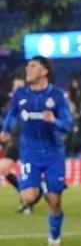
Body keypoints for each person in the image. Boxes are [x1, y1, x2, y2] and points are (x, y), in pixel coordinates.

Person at [0, 56, 72, 246]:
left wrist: (54, 120)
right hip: (29, 152)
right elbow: (12, 114)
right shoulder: (20, 94)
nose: (28, 69)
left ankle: (54, 239)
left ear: (44, 71)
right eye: (27, 66)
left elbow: (68, 125)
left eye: (32, 66)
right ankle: (41, 184)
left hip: (53, 153)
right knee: (28, 197)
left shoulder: (57, 96)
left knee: (54, 201)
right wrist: (6, 130)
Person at [0, 74, 44, 214]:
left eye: (19, 86)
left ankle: (28, 202)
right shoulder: (14, 102)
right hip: (15, 139)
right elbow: (10, 117)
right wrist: (5, 131)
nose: (16, 89)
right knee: (3, 169)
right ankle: (30, 194)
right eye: (15, 86)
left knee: (28, 174)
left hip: (29, 140)